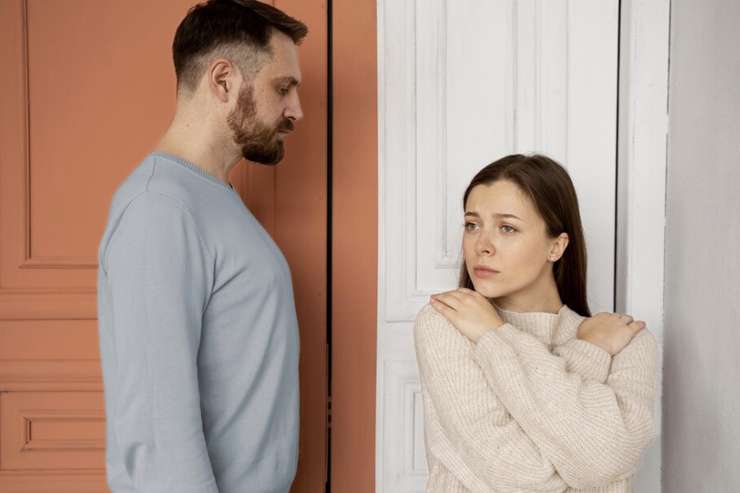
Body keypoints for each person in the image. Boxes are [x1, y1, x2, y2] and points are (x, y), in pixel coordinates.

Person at [96, 1, 307, 492]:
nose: (296, 110)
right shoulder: (159, 208)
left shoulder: (208, 197)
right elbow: (157, 426)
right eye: (283, 88)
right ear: (224, 80)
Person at [414, 154, 657, 492]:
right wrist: (589, 352)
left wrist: (493, 335)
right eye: (472, 225)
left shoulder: (629, 341)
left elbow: (609, 457)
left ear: (556, 246)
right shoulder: (446, 322)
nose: (481, 246)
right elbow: (520, 477)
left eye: (507, 228)